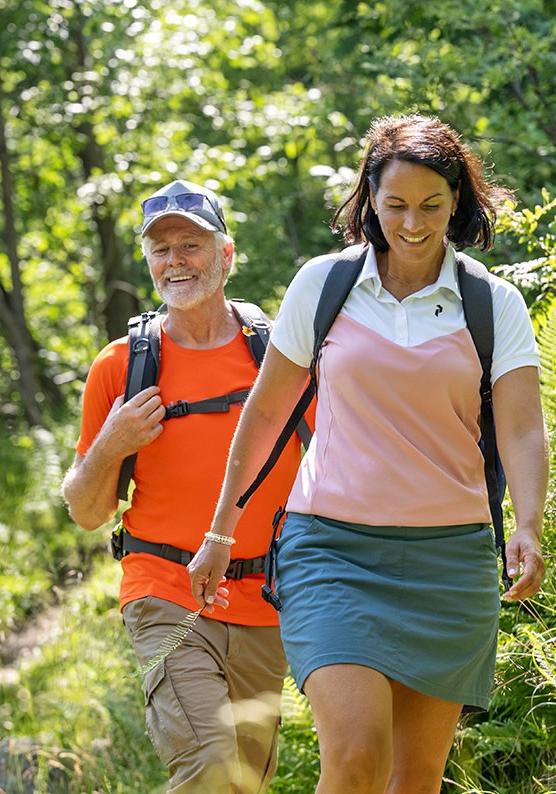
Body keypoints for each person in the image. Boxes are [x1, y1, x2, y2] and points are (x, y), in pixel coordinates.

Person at [188, 115, 549, 793]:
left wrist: (526, 525)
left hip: (451, 560)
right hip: (333, 549)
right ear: (370, 202)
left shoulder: (492, 303)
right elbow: (265, 412)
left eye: (432, 207)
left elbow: (523, 429)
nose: (413, 224)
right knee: (356, 759)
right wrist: (220, 529)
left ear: (457, 204)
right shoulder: (325, 286)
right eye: (396, 206)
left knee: (414, 781)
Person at [61, 179, 307, 793]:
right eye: (161, 248)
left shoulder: (279, 356)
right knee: (209, 763)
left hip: (265, 599)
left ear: (226, 255)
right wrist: (112, 444)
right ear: (148, 262)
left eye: (190, 245)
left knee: (246, 778)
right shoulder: (121, 366)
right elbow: (85, 511)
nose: (175, 261)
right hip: (164, 590)